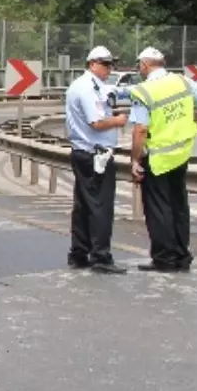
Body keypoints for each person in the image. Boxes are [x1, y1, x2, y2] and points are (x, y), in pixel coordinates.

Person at [128, 47, 197, 272]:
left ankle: (164, 258)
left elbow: (140, 130)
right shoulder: (182, 82)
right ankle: (182, 255)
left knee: (158, 208)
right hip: (181, 155)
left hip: (158, 157)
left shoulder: (143, 91)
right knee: (179, 206)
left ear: (145, 65)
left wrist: (134, 160)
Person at [65, 46, 130, 274]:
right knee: (100, 206)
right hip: (95, 153)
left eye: (111, 65)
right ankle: (101, 256)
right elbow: (97, 122)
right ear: (92, 63)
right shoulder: (87, 88)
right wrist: (119, 120)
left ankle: (79, 252)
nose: (109, 69)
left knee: (84, 205)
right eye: (105, 64)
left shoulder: (90, 86)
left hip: (85, 152)